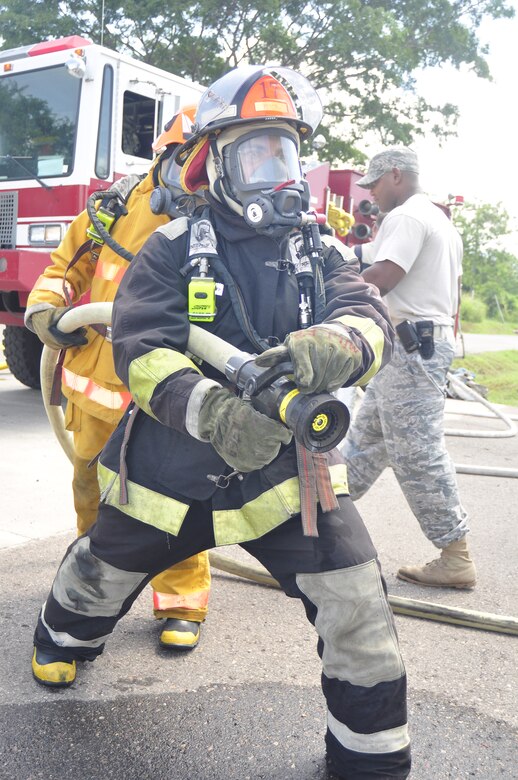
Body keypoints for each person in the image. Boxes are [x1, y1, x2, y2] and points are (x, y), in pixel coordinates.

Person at [30, 66, 411, 779]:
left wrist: (341, 343)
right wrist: (213, 412)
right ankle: (62, 640)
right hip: (169, 472)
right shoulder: (172, 247)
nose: (276, 170)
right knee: (101, 571)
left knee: (356, 602)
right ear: (215, 162)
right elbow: (142, 350)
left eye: (285, 151)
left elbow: (368, 312)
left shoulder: (319, 249)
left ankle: (372, 757)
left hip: (289, 477)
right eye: (255, 152)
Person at [25, 106, 212, 655]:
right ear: (169, 154)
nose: (202, 178)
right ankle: (90, 591)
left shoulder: (216, 219)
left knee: (174, 501)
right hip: (96, 387)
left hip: (169, 392)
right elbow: (64, 267)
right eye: (196, 161)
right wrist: (47, 310)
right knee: (91, 491)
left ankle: (181, 601)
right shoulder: (116, 207)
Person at [341, 147, 476, 589]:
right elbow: (370, 258)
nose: (372, 194)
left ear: (395, 175)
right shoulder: (436, 218)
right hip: (411, 346)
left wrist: (329, 293)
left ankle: (456, 555)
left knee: (417, 453)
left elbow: (382, 277)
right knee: (365, 443)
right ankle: (322, 523)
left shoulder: (407, 216)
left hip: (412, 347)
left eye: (375, 184)